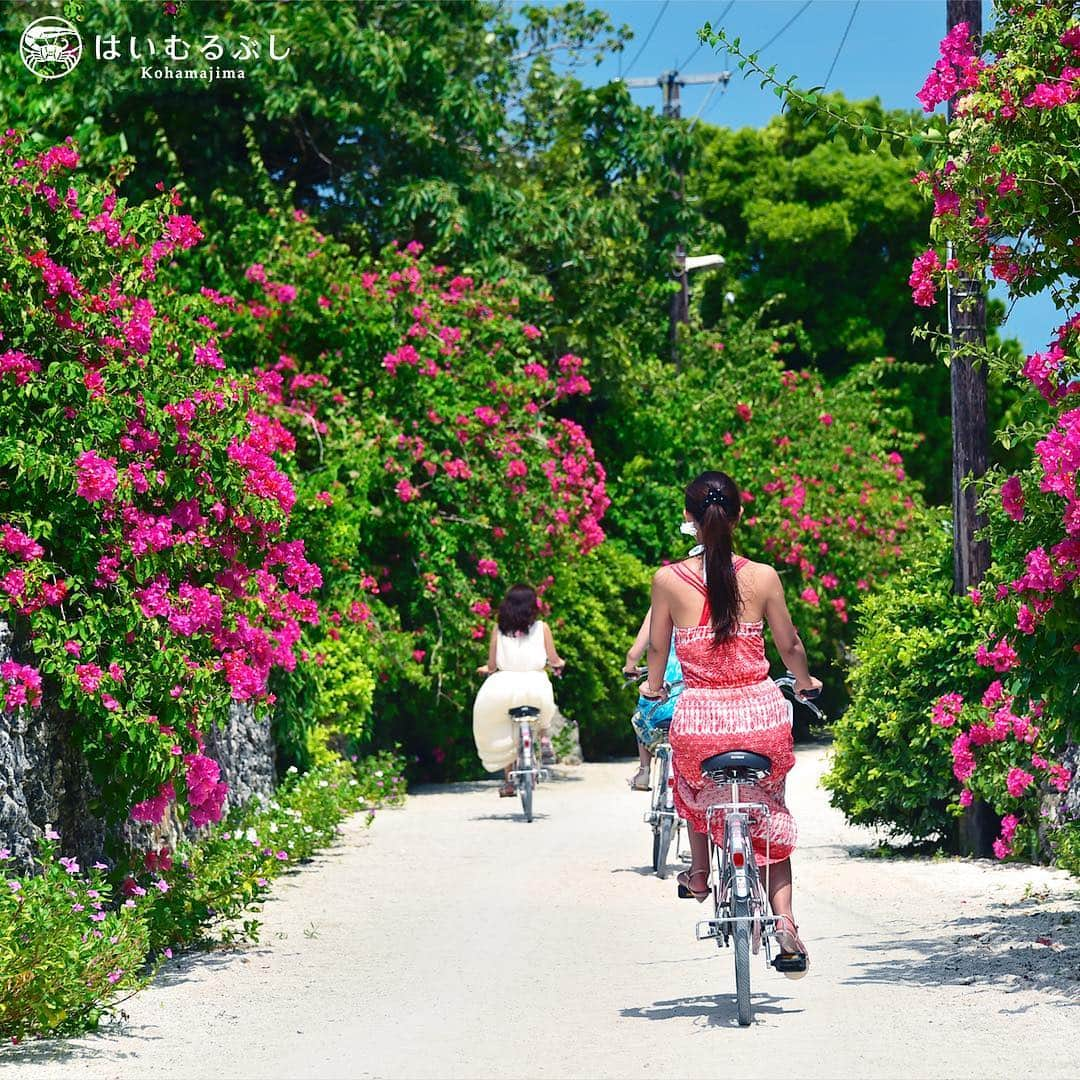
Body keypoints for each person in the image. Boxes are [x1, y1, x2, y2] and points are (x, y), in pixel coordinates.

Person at [643, 471, 821, 973]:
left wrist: (655, 687)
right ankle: (784, 922)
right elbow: (790, 647)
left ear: (689, 519)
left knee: (692, 789)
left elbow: (658, 648)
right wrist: (803, 682)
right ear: (738, 516)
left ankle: (700, 873)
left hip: (701, 717)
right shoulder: (763, 576)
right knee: (769, 803)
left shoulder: (667, 580)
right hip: (762, 717)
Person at [473, 583, 566, 797]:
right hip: (534, 685)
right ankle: (543, 737)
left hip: (503, 687)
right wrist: (559, 662)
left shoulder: (499, 628)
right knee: (543, 709)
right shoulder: (542, 628)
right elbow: (553, 659)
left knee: (505, 729)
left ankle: (508, 782)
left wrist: (486, 669)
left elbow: (493, 665)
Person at [622, 607, 683, 790]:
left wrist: (630, 668)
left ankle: (644, 771)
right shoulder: (706, 602)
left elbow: (634, 654)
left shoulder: (660, 605)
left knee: (641, 713)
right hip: (694, 697)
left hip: (661, 694)